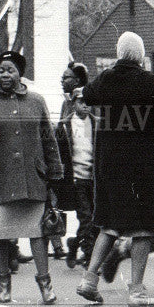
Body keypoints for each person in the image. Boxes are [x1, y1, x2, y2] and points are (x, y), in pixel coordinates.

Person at [75, 31, 154, 307]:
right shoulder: (148, 82)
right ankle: (136, 292)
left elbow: (86, 95)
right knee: (143, 229)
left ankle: (89, 280)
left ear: (118, 52)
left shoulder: (104, 80)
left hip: (110, 165)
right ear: (140, 56)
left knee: (109, 224)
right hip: (143, 166)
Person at [0, 51, 64, 304]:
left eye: (10, 69)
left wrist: (55, 172)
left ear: (20, 73)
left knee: (37, 233)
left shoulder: (36, 101)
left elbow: (49, 140)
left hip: (33, 178)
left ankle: (45, 284)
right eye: (0, 70)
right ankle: (4, 283)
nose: (5, 74)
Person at [51, 64, 91, 259]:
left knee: (88, 216)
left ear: (77, 80)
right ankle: (71, 248)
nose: (62, 80)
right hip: (72, 173)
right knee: (81, 214)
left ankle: (75, 244)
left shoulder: (88, 105)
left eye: (66, 77)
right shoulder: (65, 104)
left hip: (89, 173)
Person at [59, 86, 98, 268]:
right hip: (76, 179)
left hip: (94, 179)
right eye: (81, 102)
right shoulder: (64, 126)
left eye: (89, 102)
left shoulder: (97, 123)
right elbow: (59, 154)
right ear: (73, 103)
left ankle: (74, 244)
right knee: (86, 218)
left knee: (95, 220)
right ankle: (90, 259)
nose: (86, 106)